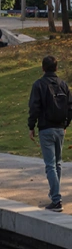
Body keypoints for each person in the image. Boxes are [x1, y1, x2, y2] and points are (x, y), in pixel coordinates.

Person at [29, 55, 72, 211]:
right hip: (60, 128)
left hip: (46, 128)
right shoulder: (63, 85)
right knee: (57, 163)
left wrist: (31, 126)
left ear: (42, 68)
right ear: (56, 68)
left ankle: (56, 199)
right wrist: (66, 123)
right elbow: (70, 107)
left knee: (50, 165)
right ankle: (55, 193)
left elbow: (34, 107)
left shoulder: (39, 85)